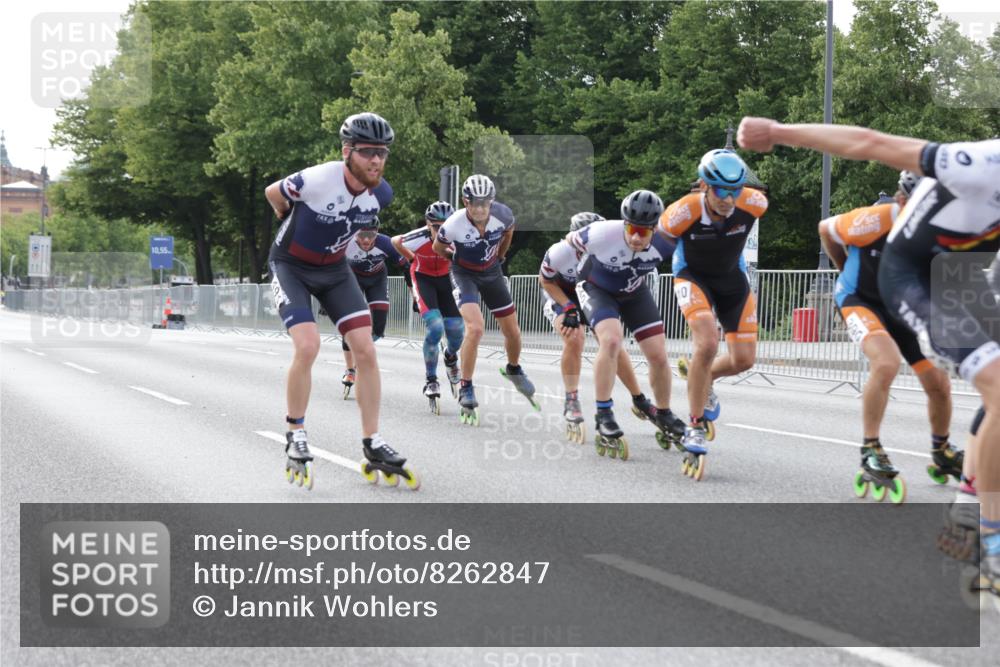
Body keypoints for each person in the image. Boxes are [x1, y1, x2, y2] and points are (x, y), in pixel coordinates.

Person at [738, 116, 999, 596]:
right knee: (890, 364)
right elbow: (868, 143)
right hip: (894, 284)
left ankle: (959, 484)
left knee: (948, 386)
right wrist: (778, 132)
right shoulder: (977, 164)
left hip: (953, 282)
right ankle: (981, 533)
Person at [263, 111, 418, 491]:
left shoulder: (381, 194)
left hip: (333, 270)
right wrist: (286, 217)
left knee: (365, 349)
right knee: (308, 345)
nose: (376, 160)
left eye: (382, 153)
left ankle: (373, 441)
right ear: (347, 151)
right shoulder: (318, 178)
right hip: (291, 265)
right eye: (367, 152)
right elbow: (272, 192)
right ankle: (295, 432)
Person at [818, 172, 960, 504]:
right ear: (901, 201)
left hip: (902, 308)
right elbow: (826, 229)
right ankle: (870, 447)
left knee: (939, 382)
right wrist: (843, 266)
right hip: (859, 299)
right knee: (886, 363)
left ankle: (941, 450)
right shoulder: (872, 221)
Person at [567, 191, 691, 471]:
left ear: (655, 229)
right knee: (611, 341)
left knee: (658, 355)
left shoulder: (666, 242)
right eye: (631, 229)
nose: (635, 237)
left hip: (634, 292)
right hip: (596, 288)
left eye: (643, 232)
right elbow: (569, 240)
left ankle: (664, 413)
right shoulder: (600, 233)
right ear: (624, 223)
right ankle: (604, 413)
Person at [541, 212, 684, 446]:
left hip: (596, 292)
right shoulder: (560, 252)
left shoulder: (613, 244)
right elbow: (545, 281)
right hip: (563, 295)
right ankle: (571, 398)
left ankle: (639, 399)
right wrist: (567, 307)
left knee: (612, 344)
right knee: (575, 337)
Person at [659, 149, 768, 450]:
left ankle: (702, 377)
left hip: (731, 279)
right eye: (721, 191)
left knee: (744, 360)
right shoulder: (683, 212)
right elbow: (658, 242)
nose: (728, 199)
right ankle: (694, 425)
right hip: (692, 276)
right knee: (707, 343)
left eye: (735, 191)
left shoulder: (755, 203)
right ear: (705, 186)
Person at [432, 175, 537, 425]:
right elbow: (438, 247)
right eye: (474, 204)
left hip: (492, 272)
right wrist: (454, 259)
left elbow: (509, 232)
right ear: (465, 202)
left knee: (513, 332)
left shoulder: (504, 215)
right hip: (464, 274)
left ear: (492, 202)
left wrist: (500, 255)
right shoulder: (454, 223)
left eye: (485, 204)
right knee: (476, 328)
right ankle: (466, 385)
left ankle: (513, 368)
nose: (480, 209)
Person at [392, 201, 465, 413]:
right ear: (427, 224)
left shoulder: (457, 237)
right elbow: (395, 241)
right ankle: (431, 380)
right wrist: (412, 258)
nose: (441, 231)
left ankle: (450, 357)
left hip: (446, 279)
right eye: (435, 226)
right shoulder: (418, 237)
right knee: (435, 327)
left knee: (457, 331)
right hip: (423, 278)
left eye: (445, 226)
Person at [340, 217, 408, 399]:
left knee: (379, 327)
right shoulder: (345, 243)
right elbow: (329, 266)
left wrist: (416, 295)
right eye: (361, 234)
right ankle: (350, 369)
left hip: (377, 280)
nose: (366, 240)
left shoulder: (386, 243)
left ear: (377, 233)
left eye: (371, 235)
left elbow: (407, 267)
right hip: (353, 279)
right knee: (349, 324)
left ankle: (362, 349)